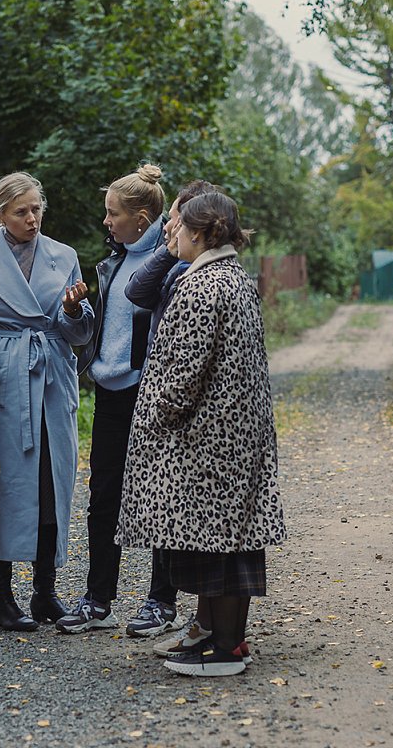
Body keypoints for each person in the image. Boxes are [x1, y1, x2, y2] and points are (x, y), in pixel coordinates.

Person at [115, 191, 285, 678]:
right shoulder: (233, 278)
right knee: (231, 541)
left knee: (220, 549)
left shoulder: (201, 286)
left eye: (180, 227)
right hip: (233, 437)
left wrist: (155, 419)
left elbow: (183, 374)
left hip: (206, 440)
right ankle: (220, 639)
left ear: (202, 232)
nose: (174, 234)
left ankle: (226, 648)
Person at [0, 172, 94, 631]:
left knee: (51, 482)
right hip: (5, 380)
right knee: (6, 487)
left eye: (37, 208)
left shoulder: (65, 256)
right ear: (0, 214)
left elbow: (77, 334)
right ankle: (1, 597)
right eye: (21, 211)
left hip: (52, 379)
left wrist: (75, 309)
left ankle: (45, 592)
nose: (32, 218)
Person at [62, 164, 176, 637]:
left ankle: (161, 602)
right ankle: (97, 598)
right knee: (103, 499)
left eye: (113, 214)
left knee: (158, 497)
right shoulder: (111, 262)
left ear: (143, 219)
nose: (106, 222)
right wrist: (77, 311)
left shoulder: (173, 261)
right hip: (108, 393)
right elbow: (101, 331)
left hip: (148, 394)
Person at [121, 179, 223, 655]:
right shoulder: (179, 263)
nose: (171, 224)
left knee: (187, 512)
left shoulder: (204, 276)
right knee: (169, 506)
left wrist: (161, 410)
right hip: (163, 393)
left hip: (184, 409)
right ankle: (182, 610)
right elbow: (136, 290)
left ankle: (191, 613)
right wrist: (168, 247)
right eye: (172, 217)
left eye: (180, 218)